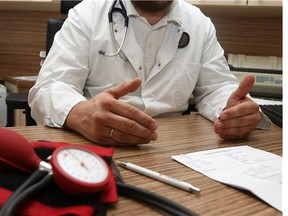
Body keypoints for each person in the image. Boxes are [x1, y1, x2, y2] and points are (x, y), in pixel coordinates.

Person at [28, 0, 271, 146]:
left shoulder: (198, 23)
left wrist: (233, 113)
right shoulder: (87, 14)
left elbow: (216, 88)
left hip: (176, 149)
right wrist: (80, 113)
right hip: (97, 144)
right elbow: (48, 88)